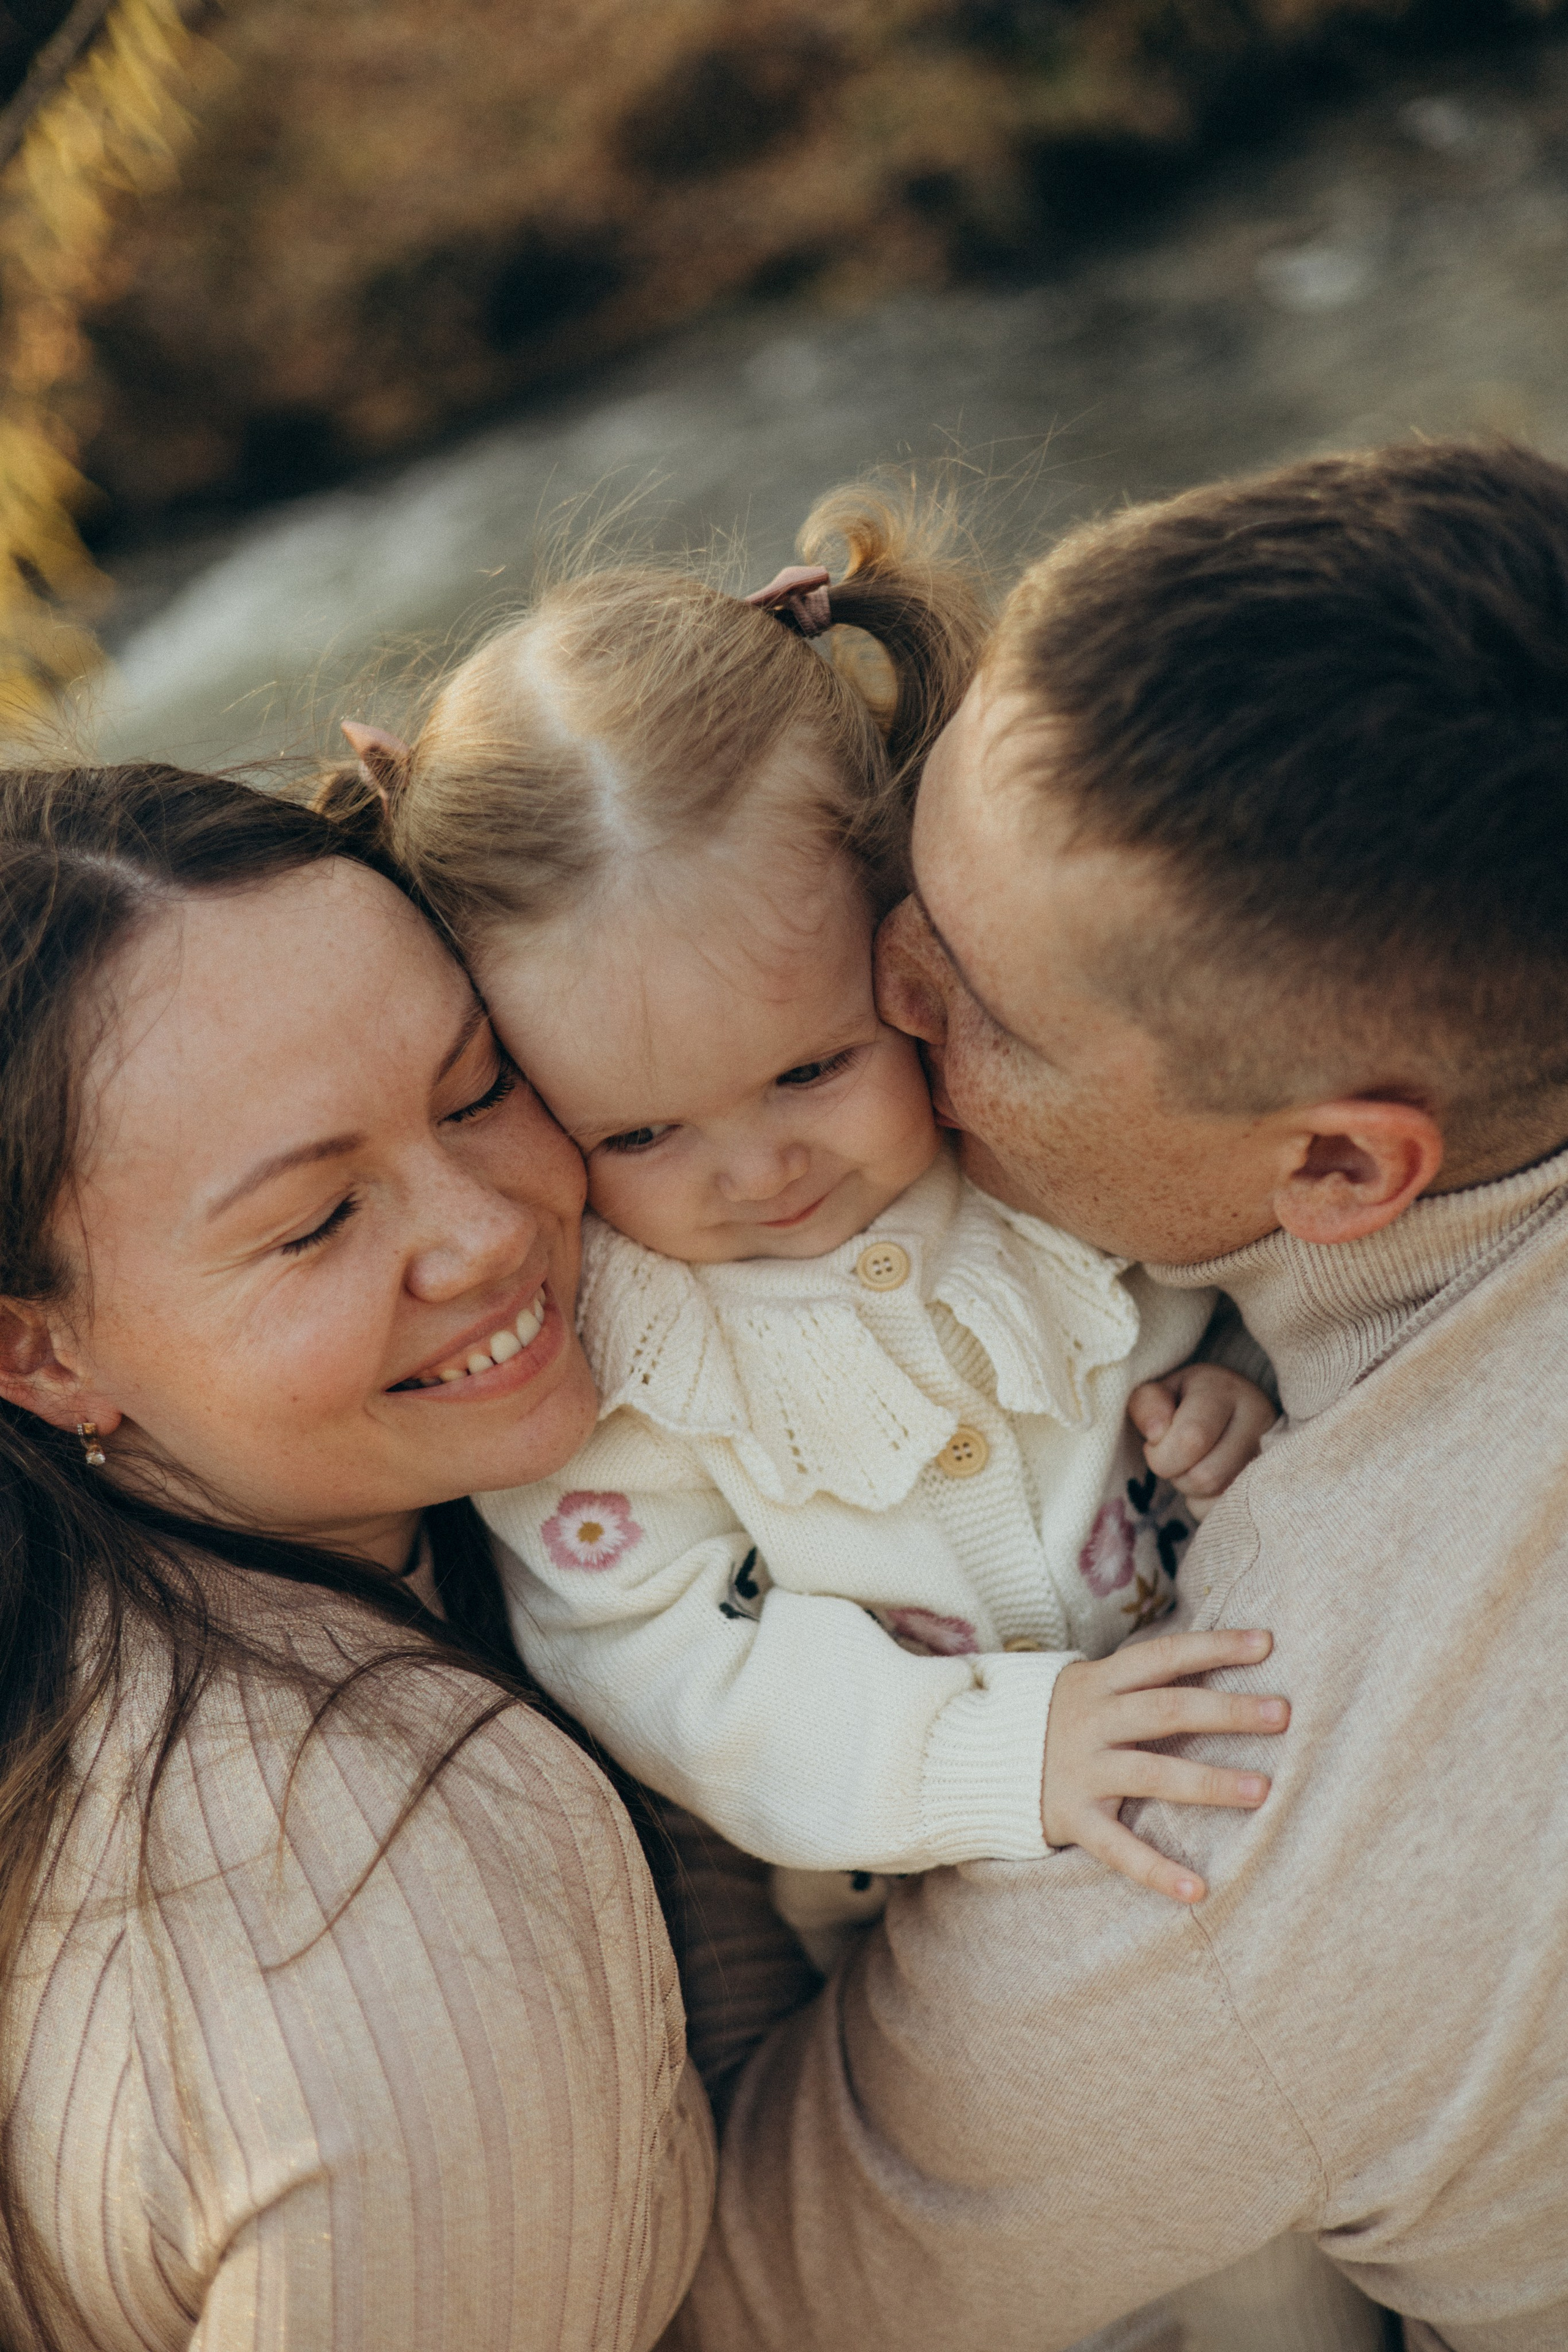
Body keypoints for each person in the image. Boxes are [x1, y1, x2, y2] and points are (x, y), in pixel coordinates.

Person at [660, 437, 1568, 2351]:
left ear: (1340, 1173)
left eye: (981, 1001)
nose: (872, 982)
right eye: (909, 864)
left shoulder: (1242, 1806)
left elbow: (744, 2295)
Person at [345, 499, 1283, 1975]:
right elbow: (670, 1669)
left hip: (1220, 1738)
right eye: (637, 1135)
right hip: (933, 1904)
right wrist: (1002, 1751)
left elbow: (1205, 1284)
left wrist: (1231, 1385)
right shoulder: (613, 1369)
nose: (758, 1173)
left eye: (809, 1070)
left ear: (907, 939)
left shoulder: (1033, 1153)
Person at [0, 764, 712, 2351]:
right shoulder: (388, 1900)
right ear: (42, 1358)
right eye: (318, 1220)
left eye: (475, 1091)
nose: (484, 1231)